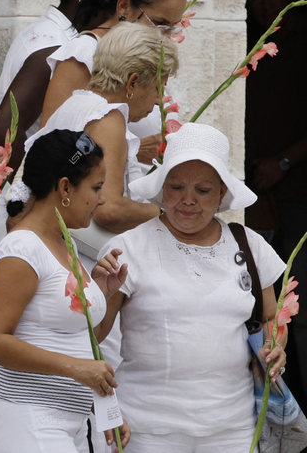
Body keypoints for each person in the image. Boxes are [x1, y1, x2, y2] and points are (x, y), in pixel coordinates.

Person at [95, 122, 287, 453]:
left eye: (203, 190)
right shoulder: (127, 249)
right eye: (176, 187)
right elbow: (92, 333)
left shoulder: (249, 245)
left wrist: (276, 346)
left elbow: (271, 317)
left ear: (222, 194)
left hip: (234, 429)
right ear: (161, 189)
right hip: (147, 431)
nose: (188, 201)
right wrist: (100, 292)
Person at [0, 129, 130, 453]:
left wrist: (105, 293)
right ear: (64, 188)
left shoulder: (64, 243)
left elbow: (77, 340)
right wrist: (77, 369)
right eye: (96, 188)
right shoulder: (23, 248)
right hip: (28, 420)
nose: (101, 199)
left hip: (68, 424)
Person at [17, 22, 181, 266]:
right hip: (78, 260)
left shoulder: (74, 105)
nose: (159, 100)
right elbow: (109, 209)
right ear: (133, 83)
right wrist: (169, 213)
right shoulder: (107, 119)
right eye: (158, 87)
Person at [40, 0, 188, 164]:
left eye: (172, 28)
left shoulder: (149, 57)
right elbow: (51, 143)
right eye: (159, 24)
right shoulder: (84, 52)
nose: (164, 36)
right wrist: (132, 150)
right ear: (124, 7)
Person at [0, 0, 124, 171]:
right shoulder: (57, 46)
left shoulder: (47, 31)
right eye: (107, 7)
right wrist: (30, 189)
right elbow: (1, 127)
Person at [245, 0, 307, 413]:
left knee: (296, 308)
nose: (265, 5)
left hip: (297, 191)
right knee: (266, 306)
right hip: (260, 194)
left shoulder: (303, 44)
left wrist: (285, 162)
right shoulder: (254, 44)